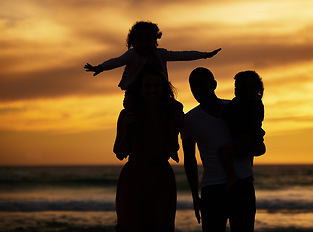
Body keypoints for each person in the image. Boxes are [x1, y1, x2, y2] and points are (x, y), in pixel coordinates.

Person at [84, 21, 221, 162]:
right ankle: (133, 144)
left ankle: (172, 147)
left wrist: (204, 55)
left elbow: (182, 55)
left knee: (176, 108)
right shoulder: (132, 55)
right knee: (132, 111)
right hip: (133, 93)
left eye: (148, 40)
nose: (144, 44)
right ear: (133, 42)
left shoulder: (160, 54)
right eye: (140, 40)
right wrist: (100, 67)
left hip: (159, 93)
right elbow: (116, 61)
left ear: (155, 41)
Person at [181, 67, 256, 232]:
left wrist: (247, 173)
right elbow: (189, 159)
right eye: (193, 86)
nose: (197, 89)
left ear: (214, 84)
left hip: (242, 186)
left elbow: (248, 142)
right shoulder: (189, 120)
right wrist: (195, 196)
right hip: (212, 190)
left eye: (202, 83)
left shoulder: (235, 108)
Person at [115, 64, 182, 232]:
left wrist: (175, 123)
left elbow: (173, 149)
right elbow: (119, 152)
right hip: (134, 176)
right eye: (147, 86)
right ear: (140, 89)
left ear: (163, 88)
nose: (152, 90)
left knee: (162, 226)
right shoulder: (127, 114)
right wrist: (128, 128)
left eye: (157, 86)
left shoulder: (170, 113)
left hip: (161, 176)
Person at [218, 70, 266, 189]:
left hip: (244, 138)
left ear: (258, 89)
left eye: (250, 87)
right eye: (241, 87)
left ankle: (232, 175)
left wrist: (223, 110)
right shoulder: (256, 103)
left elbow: (226, 114)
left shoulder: (241, 104)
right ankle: (244, 173)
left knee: (224, 152)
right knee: (247, 159)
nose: (245, 90)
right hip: (251, 137)